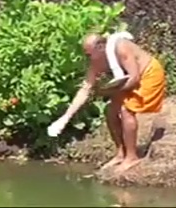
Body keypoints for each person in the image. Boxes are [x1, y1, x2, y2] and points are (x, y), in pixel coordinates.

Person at [47, 33, 166, 173]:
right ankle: (121, 153)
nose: (88, 58)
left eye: (89, 54)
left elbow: (134, 78)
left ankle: (132, 157)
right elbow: (85, 88)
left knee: (126, 111)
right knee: (110, 111)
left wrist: (109, 92)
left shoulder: (121, 47)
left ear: (101, 47)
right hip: (127, 81)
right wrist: (65, 118)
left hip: (148, 74)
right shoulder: (96, 61)